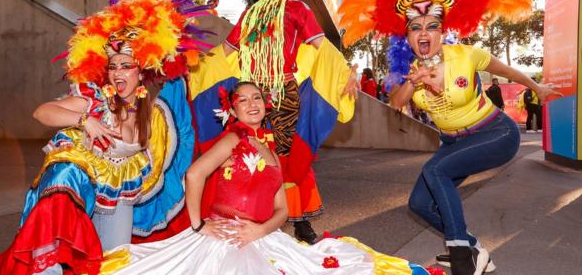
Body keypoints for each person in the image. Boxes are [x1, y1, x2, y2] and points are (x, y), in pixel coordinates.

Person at [338, 0, 561, 274]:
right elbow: (396, 104)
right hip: (452, 141)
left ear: (443, 31)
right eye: (416, 28)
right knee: (420, 202)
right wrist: (413, 83)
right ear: (408, 36)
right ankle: (473, 249)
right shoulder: (408, 68)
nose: (424, 33)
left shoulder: (466, 55)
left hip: (494, 134)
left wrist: (537, 87)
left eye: (431, 26)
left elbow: (508, 71)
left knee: (436, 170)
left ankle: (460, 256)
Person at [99, 81, 433, 275]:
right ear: (233, 111)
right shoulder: (233, 139)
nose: (251, 103)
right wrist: (199, 225)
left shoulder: (272, 153)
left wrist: (261, 229)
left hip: (262, 238)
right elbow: (194, 173)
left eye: (256, 97)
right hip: (224, 240)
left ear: (266, 103)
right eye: (242, 100)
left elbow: (283, 210)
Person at [0, 0, 203, 275]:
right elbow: (42, 112)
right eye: (113, 66)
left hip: (118, 194)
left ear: (141, 73)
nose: (118, 73)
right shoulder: (96, 99)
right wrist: (85, 121)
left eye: (126, 66)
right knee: (54, 252)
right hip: (79, 188)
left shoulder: (150, 115)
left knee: (114, 263)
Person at [192, 0, 358, 245]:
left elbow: (323, 48)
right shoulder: (249, 13)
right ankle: (253, 212)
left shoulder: (298, 9)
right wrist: (195, 69)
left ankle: (297, 219)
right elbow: (225, 53)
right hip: (252, 98)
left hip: (284, 95)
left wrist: (344, 72)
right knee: (249, 154)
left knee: (285, 156)